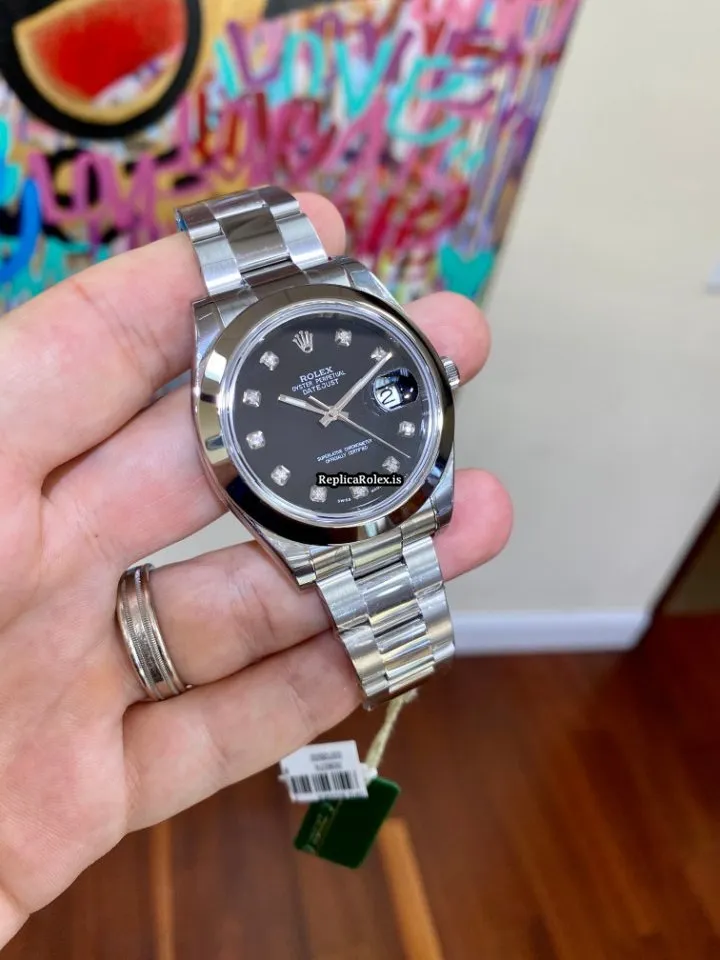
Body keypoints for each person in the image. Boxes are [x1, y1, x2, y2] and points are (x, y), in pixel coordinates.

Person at [0, 192, 512, 946]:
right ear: (224, 445)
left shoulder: (360, 303)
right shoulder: (232, 394)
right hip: (330, 513)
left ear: (436, 373)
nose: (332, 418)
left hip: (398, 486)